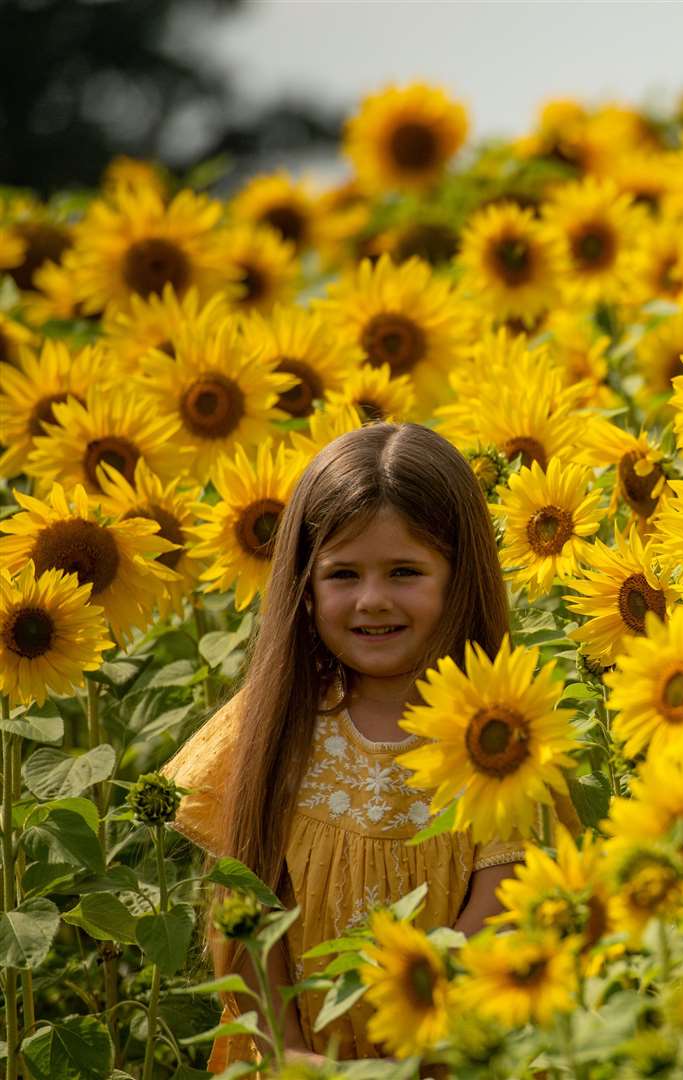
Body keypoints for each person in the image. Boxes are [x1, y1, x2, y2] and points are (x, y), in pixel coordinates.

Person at [163, 422, 577, 1068]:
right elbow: (246, 911)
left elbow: (503, 907)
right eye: (343, 574)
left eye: (405, 571)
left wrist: (407, 1055)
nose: (372, 600)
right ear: (304, 581)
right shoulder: (278, 719)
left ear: (459, 576)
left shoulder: (502, 731)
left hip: (456, 1052)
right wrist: (296, 1058)